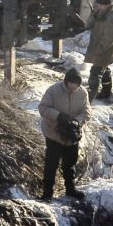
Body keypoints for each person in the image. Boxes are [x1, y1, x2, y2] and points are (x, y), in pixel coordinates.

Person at [38, 67, 90, 200]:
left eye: (76, 83)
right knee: (51, 164)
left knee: (70, 164)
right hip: (53, 133)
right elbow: (43, 108)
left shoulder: (83, 93)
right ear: (66, 81)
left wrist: (76, 122)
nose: (73, 86)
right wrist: (59, 116)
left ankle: (70, 190)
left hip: (72, 134)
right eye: (71, 83)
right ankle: (47, 193)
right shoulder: (53, 90)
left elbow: (87, 112)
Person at [87, 0, 113, 100]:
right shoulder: (107, 10)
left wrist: (98, 51)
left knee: (95, 73)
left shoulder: (111, 18)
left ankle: (89, 100)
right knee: (104, 69)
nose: (97, 6)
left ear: (106, 5)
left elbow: (109, 38)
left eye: (99, 5)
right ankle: (106, 92)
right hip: (105, 48)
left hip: (106, 50)